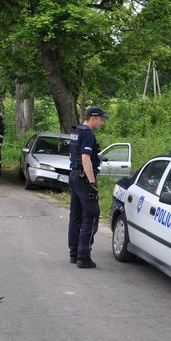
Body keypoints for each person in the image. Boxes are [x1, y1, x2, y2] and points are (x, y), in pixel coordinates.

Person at [68, 105, 110, 269]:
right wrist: (92, 183)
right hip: (84, 179)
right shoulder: (87, 134)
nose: (102, 123)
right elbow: (85, 158)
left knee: (76, 216)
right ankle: (83, 257)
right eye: (101, 119)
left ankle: (74, 254)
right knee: (90, 216)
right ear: (93, 118)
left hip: (74, 176)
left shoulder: (75, 131)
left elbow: (73, 155)